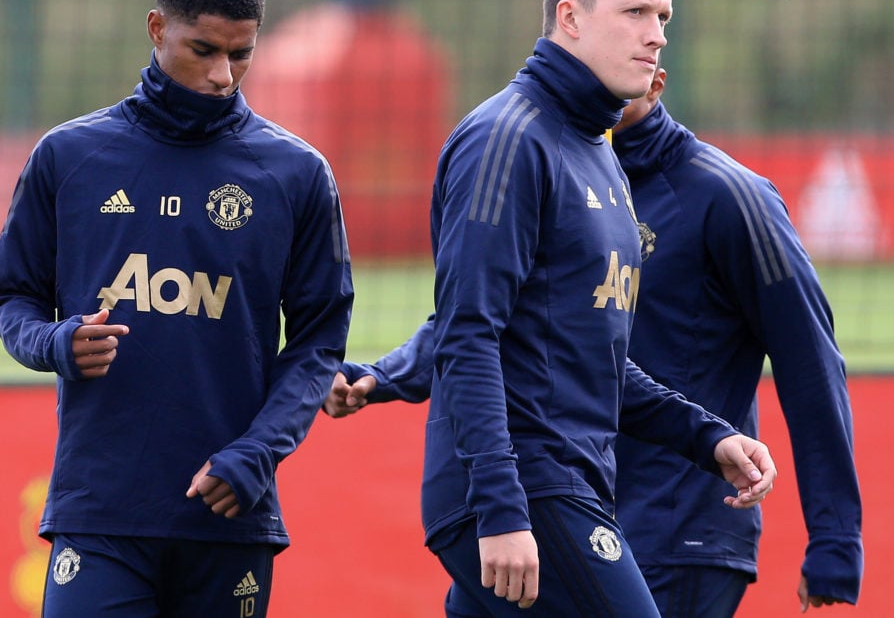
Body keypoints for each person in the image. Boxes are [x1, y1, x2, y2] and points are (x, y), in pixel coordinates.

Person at [326, 0, 776, 616]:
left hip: (569, 484)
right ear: (569, 17)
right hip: (524, 491)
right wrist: (503, 512)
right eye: (634, 13)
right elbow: (470, 333)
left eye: (663, 18)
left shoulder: (597, 151)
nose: (656, 35)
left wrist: (708, 436)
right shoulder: (508, 140)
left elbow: (596, 360)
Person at [328, 66, 863, 616]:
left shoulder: (732, 197)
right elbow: (490, 319)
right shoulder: (550, 165)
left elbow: (811, 363)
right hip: (559, 496)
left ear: (655, 83)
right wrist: (389, 373)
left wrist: (835, 539)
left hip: (676, 527)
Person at [0, 0, 353, 617]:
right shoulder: (70, 158)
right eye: (204, 50)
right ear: (157, 30)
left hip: (229, 512)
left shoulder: (297, 176)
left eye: (241, 54)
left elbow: (318, 345)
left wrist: (256, 454)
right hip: (101, 515)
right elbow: (10, 298)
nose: (222, 75)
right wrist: (55, 343)